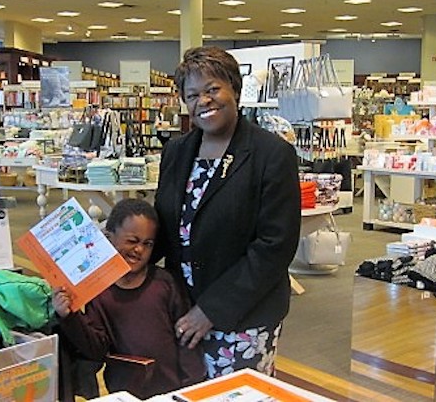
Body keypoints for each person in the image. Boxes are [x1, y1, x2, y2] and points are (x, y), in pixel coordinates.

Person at [153, 46, 301, 379]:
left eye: (212, 90)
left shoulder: (271, 154)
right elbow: (165, 226)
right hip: (182, 310)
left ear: (234, 88)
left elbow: (275, 246)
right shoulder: (177, 151)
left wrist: (211, 310)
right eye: (192, 95)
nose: (203, 101)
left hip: (243, 314)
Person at [53, 198, 205, 399]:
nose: (139, 250)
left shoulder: (165, 284)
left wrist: (191, 388)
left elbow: (187, 340)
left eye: (148, 244)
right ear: (108, 238)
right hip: (125, 395)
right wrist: (68, 316)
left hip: (172, 392)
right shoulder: (99, 293)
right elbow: (96, 348)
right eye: (132, 241)